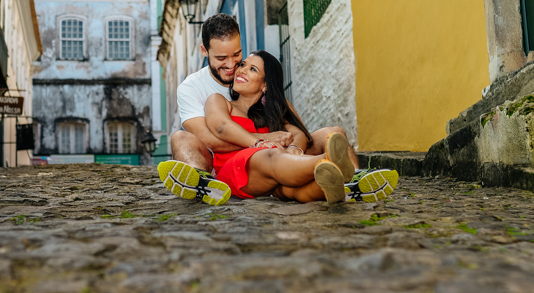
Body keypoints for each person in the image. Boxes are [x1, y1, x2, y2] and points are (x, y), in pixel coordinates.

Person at [156, 13, 396, 204]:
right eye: (221, 58)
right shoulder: (198, 90)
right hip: (234, 159)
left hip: (275, 157)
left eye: (238, 56)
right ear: (204, 51)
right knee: (181, 137)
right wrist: (265, 140)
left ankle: (350, 180)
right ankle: (202, 182)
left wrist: (292, 147)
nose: (232, 66)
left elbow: (297, 129)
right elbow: (213, 137)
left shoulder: (263, 92)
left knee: (332, 133)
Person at [205, 51, 361, 202]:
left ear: (265, 84)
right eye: (243, 65)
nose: (242, 70)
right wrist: (259, 143)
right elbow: (222, 127)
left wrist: (295, 149)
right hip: (236, 170)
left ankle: (352, 182)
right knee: (270, 154)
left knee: (333, 132)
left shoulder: (272, 111)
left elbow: (298, 134)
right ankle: (329, 160)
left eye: (252, 69)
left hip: (277, 173)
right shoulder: (219, 101)